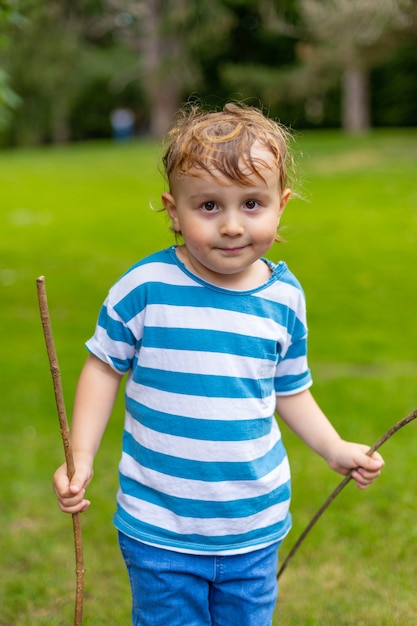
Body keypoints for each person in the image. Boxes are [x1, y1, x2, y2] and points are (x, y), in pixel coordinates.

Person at [53, 102, 384, 625]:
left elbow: (290, 389)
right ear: (173, 209)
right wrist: (82, 456)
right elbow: (103, 367)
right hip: (160, 525)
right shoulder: (146, 289)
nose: (232, 226)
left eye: (252, 204)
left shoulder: (285, 297)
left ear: (282, 205)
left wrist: (333, 446)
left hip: (254, 524)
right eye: (209, 206)